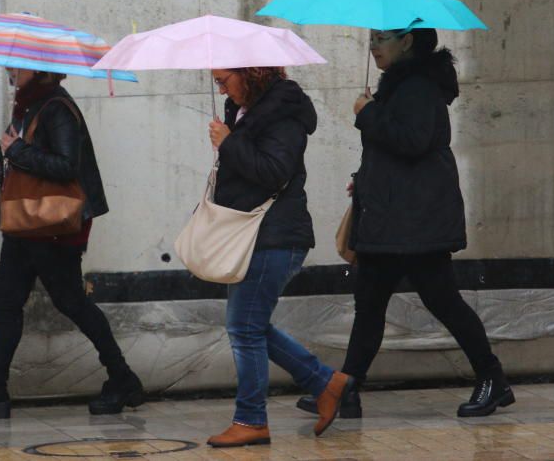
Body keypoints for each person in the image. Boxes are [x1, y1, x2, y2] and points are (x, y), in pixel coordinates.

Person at [297, 28, 513, 419]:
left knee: (443, 301)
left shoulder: (418, 87)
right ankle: (347, 389)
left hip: (417, 222)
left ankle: (492, 379)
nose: (373, 46)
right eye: (372, 39)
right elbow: (397, 152)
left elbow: (413, 141)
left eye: (382, 38)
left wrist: (368, 113)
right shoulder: (401, 85)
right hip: (391, 218)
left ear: (407, 41)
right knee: (369, 305)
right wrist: (365, 180)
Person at [0, 68, 144, 420]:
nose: (10, 71)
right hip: (24, 223)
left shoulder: (56, 107)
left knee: (71, 302)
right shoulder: (27, 107)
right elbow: (28, 167)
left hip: (56, 227)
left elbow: (66, 166)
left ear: (37, 69)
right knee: (8, 303)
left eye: (17, 66)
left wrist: (18, 150)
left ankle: (123, 378)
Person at [205, 66, 352, 448]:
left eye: (224, 79)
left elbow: (274, 172)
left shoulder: (284, 113)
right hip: (254, 234)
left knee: (245, 329)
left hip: (276, 235)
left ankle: (252, 419)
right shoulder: (244, 111)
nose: (220, 87)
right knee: (250, 326)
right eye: (217, 81)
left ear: (250, 73)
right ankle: (325, 382)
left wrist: (229, 143)